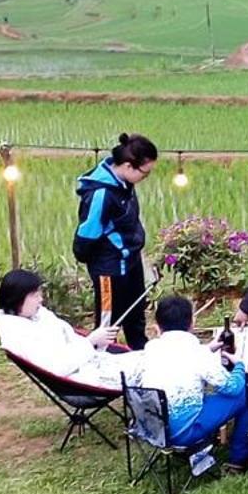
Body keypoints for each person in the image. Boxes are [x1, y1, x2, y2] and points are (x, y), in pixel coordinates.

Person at [132, 296, 248, 475]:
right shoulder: (198, 354)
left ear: (157, 326)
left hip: (151, 427)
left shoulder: (150, 349)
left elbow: (178, 359)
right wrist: (240, 366)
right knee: (244, 393)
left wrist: (210, 348)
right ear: (192, 322)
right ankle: (239, 458)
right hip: (183, 432)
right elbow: (232, 387)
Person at [0, 268, 141, 389]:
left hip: (93, 361)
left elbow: (68, 337)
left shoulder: (36, 315)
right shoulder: (20, 334)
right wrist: (90, 342)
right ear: (16, 299)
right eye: (34, 295)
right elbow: (57, 367)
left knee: (153, 357)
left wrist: (96, 343)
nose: (40, 299)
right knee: (151, 367)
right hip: (84, 378)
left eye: (39, 294)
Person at [75, 133, 157, 349]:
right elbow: (87, 233)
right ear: (129, 166)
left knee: (136, 314)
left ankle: (140, 355)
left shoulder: (124, 184)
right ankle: (100, 361)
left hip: (130, 260)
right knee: (108, 322)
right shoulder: (101, 193)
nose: (145, 178)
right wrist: (99, 259)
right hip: (108, 268)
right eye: (145, 173)